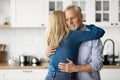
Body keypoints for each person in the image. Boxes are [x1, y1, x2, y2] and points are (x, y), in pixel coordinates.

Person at [46, 5, 104, 80]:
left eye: (73, 18)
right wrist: (47, 53)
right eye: (66, 19)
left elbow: (98, 64)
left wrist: (75, 68)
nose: (70, 22)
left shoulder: (93, 36)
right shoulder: (64, 35)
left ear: (81, 16)